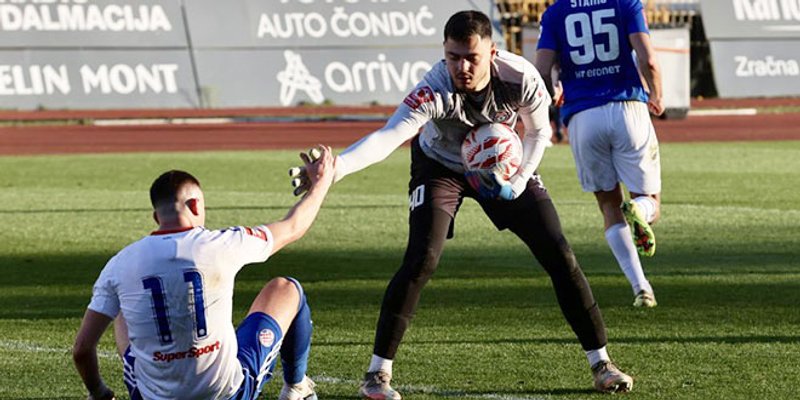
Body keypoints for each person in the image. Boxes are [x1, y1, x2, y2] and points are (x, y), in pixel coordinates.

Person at [326, 10, 633, 398]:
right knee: (422, 258)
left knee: (559, 252)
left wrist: (518, 180)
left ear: (492, 52)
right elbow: (389, 137)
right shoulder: (434, 88)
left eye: (471, 57)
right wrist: (336, 168)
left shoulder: (520, 77)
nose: (462, 67)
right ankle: (376, 374)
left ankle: (601, 363)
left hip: (502, 166)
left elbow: (539, 133)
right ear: (444, 52)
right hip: (440, 165)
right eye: (453, 56)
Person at [72, 147, 335, 400]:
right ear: (195, 205)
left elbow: (82, 350)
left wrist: (100, 393)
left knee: (121, 301)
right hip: (226, 394)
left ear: (156, 216)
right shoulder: (221, 244)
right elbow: (293, 227)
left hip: (150, 396)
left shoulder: (119, 263)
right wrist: (321, 182)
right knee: (286, 288)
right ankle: (296, 387)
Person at [534, 0, 664, 308]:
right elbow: (649, 59)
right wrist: (657, 95)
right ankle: (641, 211)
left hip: (582, 116)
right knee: (651, 201)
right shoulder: (626, 3)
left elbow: (541, 70)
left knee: (608, 204)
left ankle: (641, 286)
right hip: (628, 108)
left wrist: (553, 92)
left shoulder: (555, 12)